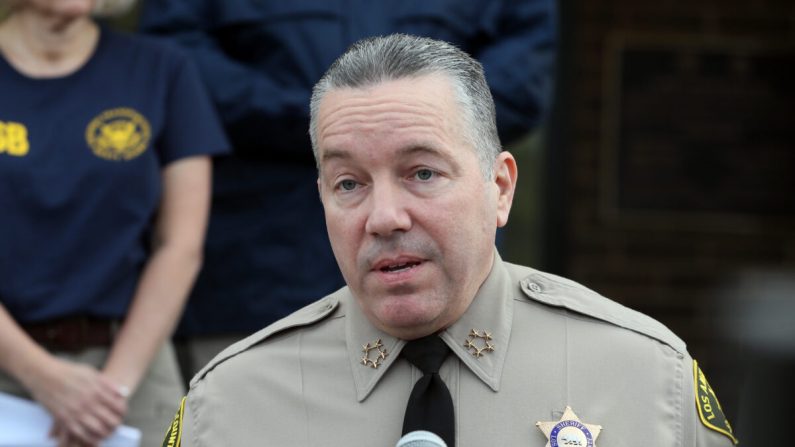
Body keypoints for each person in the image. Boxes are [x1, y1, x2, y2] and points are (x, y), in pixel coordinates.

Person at [161, 34, 736, 446]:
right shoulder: (231, 404)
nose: (384, 217)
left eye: (423, 173)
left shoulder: (642, 376)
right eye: (349, 184)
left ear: (501, 187)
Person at [137, 0, 557, 382]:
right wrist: (329, 120)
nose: (385, 215)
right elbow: (180, 66)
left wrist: (404, 123)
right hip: (256, 278)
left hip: (445, 294)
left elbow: (523, 74)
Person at [0, 1, 228, 446]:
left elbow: (179, 245)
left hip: (132, 369)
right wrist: (40, 374)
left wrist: (113, 391)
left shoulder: (162, 69)